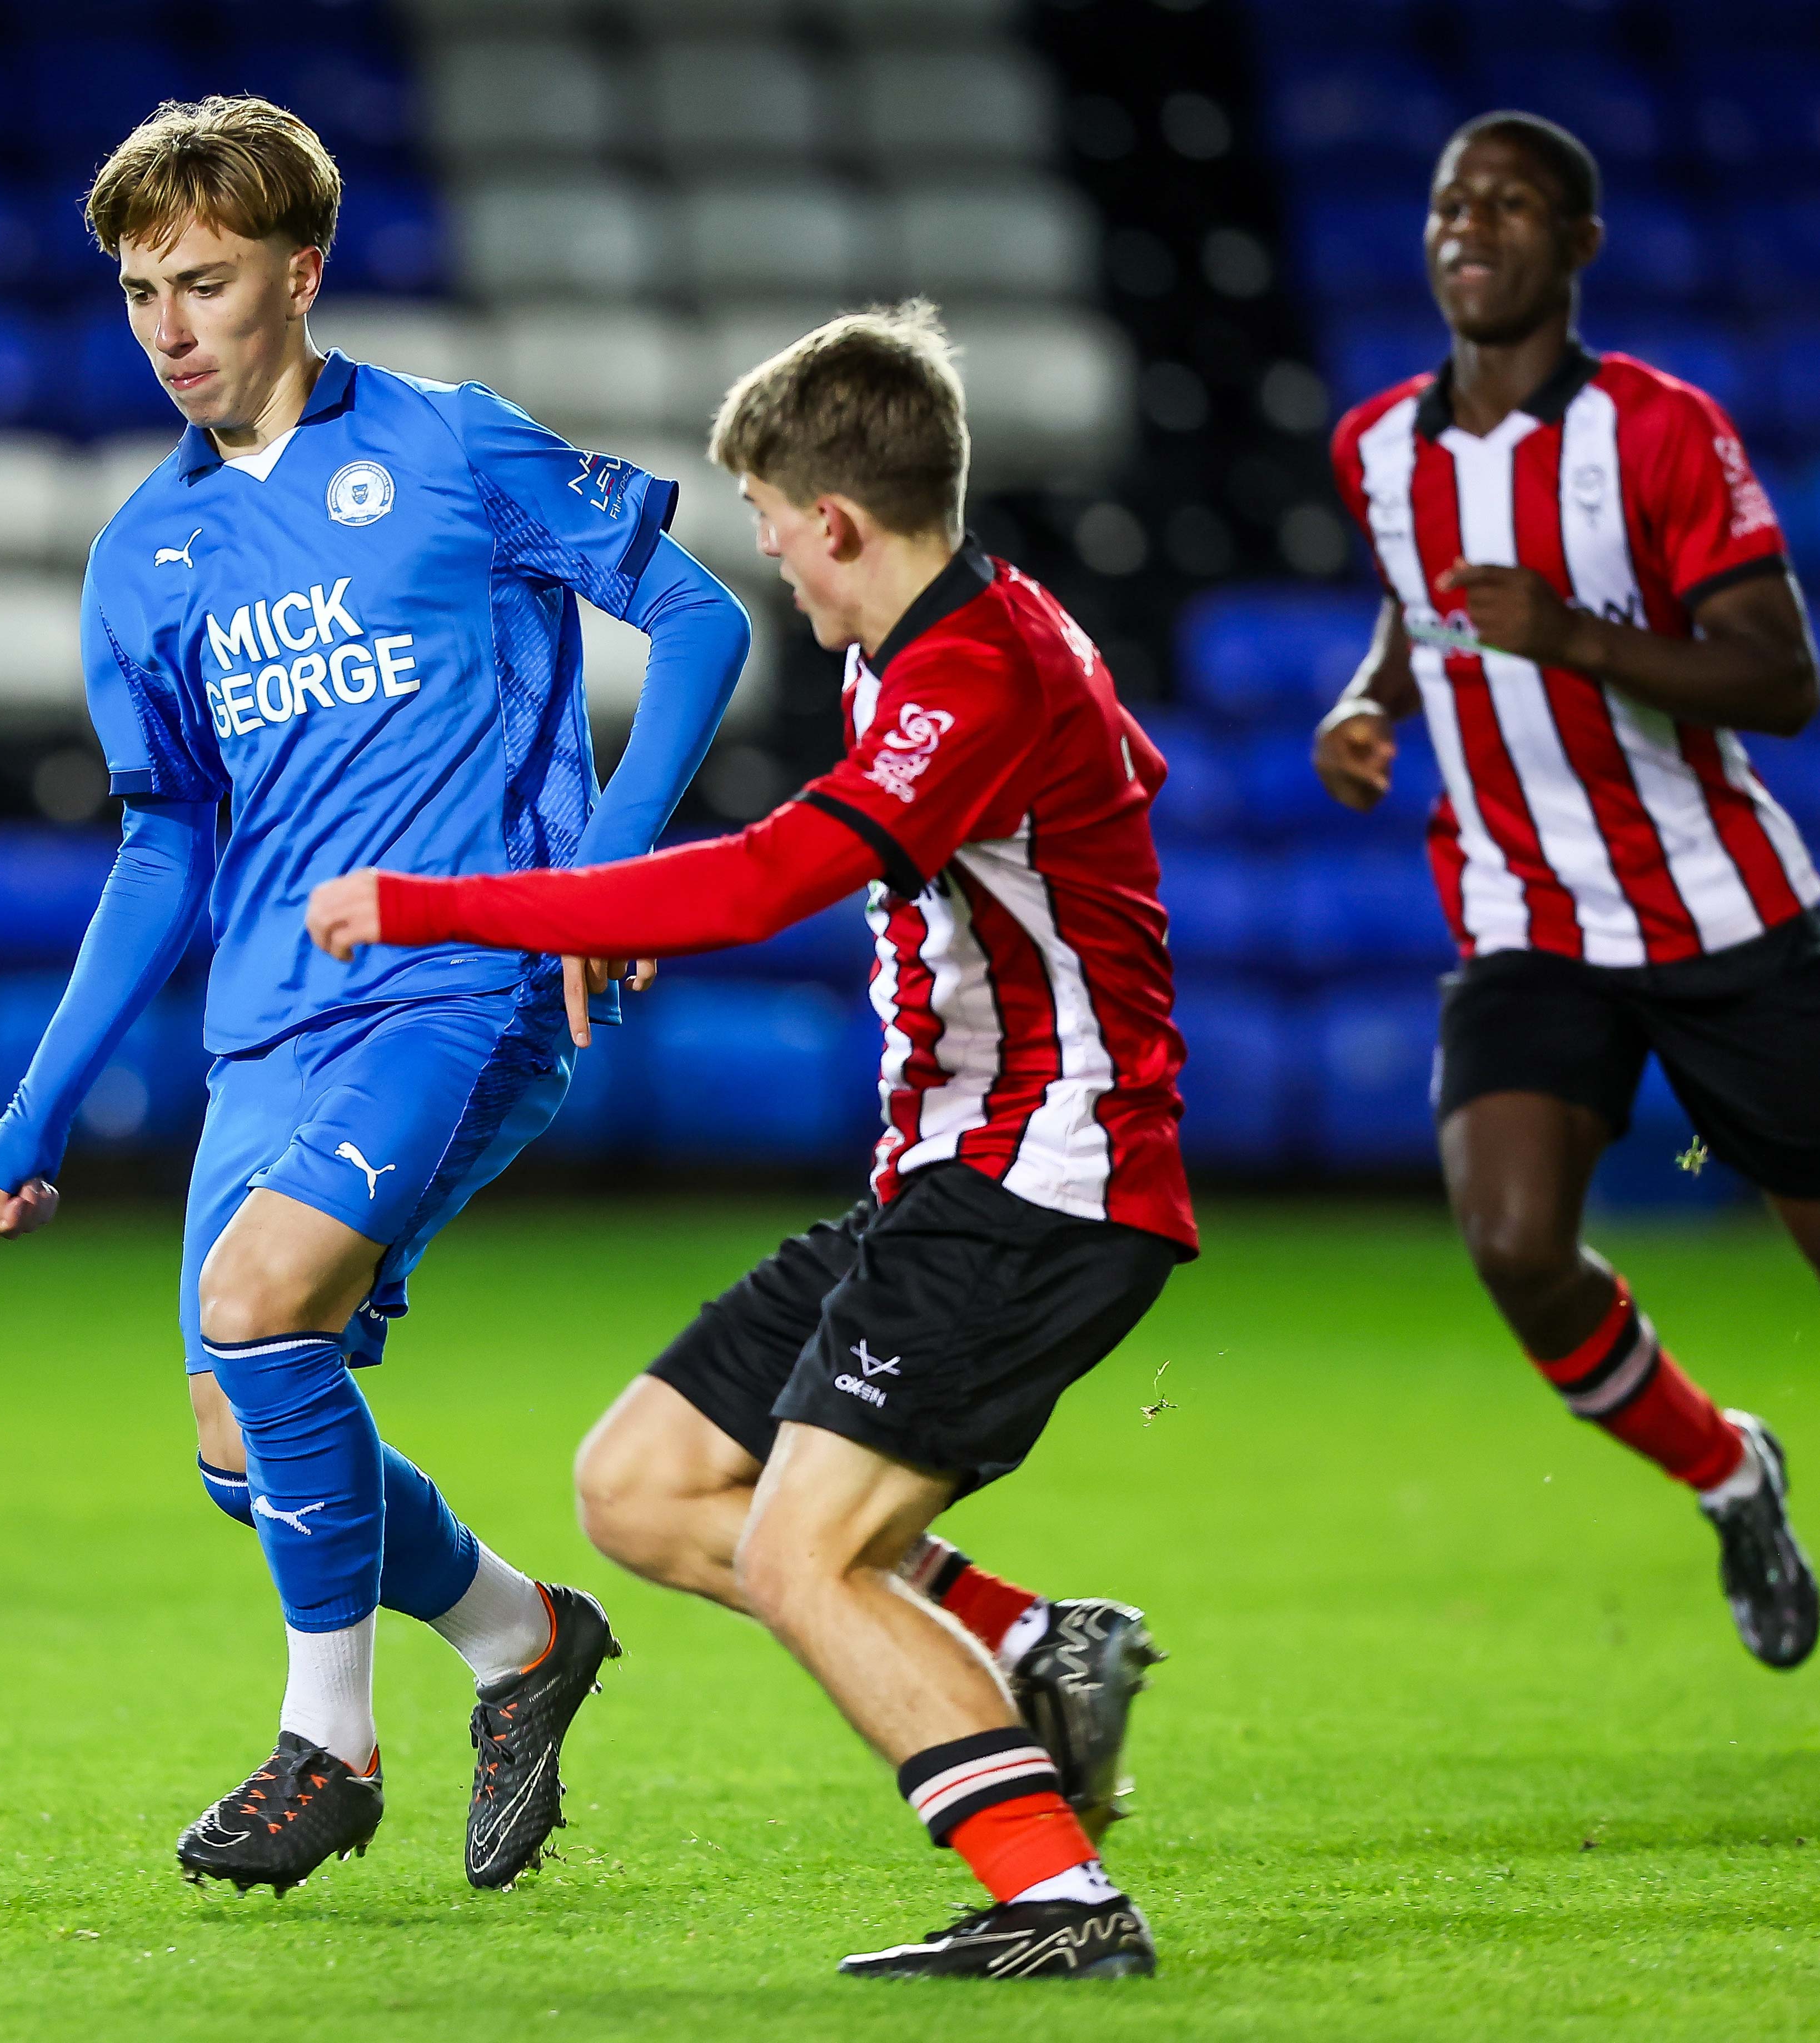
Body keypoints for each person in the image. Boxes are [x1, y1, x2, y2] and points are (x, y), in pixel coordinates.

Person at [309, 303, 1197, 1981]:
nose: (777, 561)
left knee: (801, 1553)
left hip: (1039, 1184)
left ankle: (1058, 1901)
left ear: (839, 521)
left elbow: (772, 875)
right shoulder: (966, 640)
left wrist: (434, 905)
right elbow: (1095, 777)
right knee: (639, 1486)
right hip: (946, 1177)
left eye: (779, 528)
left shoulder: (974, 663)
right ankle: (1028, 1645)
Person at [0, 98, 752, 1895]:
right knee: (243, 1434)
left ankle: (327, 1740)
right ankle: (519, 1638)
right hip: (267, 1024)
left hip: (461, 983)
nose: (171, 328)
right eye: (141, 291)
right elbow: (164, 850)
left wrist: (596, 894)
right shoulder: (141, 560)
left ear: (298, 273)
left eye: (207, 284)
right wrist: (35, 1106)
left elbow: (698, 621)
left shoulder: (453, 447)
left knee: (255, 1304)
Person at [1314, 112, 1820, 1668]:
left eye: (1513, 203)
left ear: (1577, 247)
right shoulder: (1376, 447)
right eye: (1451, 201)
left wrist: (1574, 637)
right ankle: (1730, 1471)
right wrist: (1372, 704)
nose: (1471, 224)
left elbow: (1781, 681)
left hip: (1721, 912)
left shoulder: (1660, 434)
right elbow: (1423, 616)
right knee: (1516, 1242)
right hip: (1527, 917)